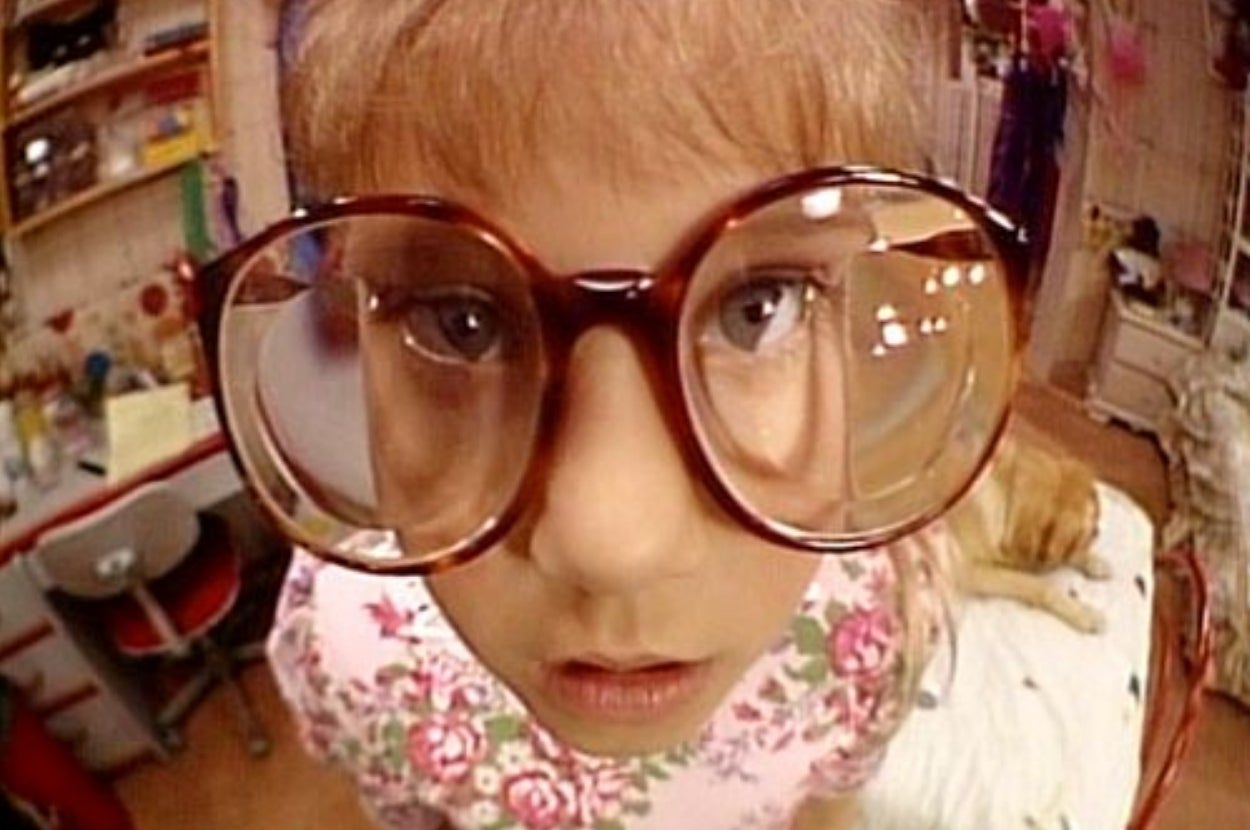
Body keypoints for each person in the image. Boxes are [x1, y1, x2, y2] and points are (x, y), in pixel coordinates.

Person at [198, 1, 1028, 827]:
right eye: (463, 323)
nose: (614, 544)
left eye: (756, 309)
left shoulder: (873, 623)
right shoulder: (354, 654)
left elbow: (826, 807)